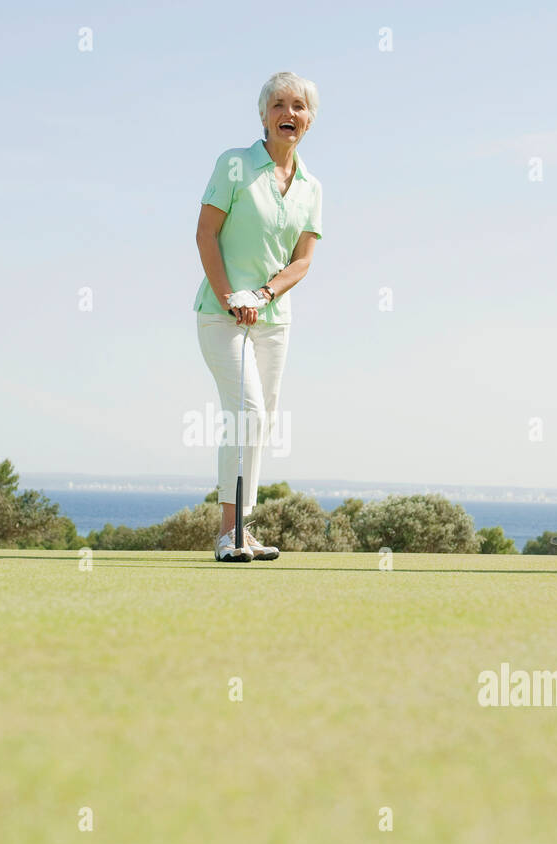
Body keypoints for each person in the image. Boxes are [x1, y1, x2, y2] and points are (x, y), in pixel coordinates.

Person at [194, 71, 323, 563]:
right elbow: (206, 235)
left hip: (273, 319)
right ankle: (229, 533)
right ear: (264, 116)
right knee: (245, 412)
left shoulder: (311, 186)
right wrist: (231, 296)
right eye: (279, 105)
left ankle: (245, 531)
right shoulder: (234, 164)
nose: (289, 114)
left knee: (261, 422)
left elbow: (302, 261)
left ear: (309, 121)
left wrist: (264, 294)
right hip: (221, 313)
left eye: (299, 106)